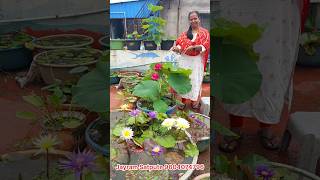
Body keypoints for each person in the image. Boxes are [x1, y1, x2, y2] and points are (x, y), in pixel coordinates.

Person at [217, 0, 309, 152]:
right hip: (239, 10)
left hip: (276, 12)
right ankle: (235, 129)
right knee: (237, 66)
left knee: (272, 68)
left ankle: (266, 128)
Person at [170, 11, 210, 109]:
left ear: (199, 19)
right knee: (184, 80)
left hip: (196, 61)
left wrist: (195, 47)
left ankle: (193, 101)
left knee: (194, 81)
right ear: (189, 21)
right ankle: (183, 101)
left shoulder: (205, 33)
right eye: (191, 19)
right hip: (184, 61)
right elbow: (179, 45)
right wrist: (177, 48)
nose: (193, 21)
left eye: (195, 18)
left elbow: (205, 45)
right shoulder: (184, 34)